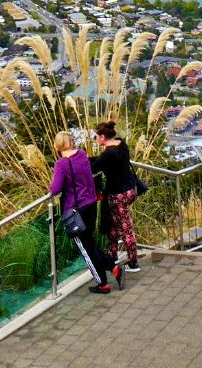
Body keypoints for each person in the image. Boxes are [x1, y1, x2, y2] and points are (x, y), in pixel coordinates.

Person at [48, 130, 114, 293]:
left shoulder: (62, 164)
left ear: (58, 145)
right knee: (90, 242)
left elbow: (55, 189)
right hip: (90, 204)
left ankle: (103, 283)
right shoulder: (82, 155)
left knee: (85, 247)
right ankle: (112, 268)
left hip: (76, 211)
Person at [90, 121, 142, 275]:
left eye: (96, 138)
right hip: (130, 189)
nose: (95, 140)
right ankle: (112, 255)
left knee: (125, 228)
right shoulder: (121, 144)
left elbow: (94, 167)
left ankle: (133, 262)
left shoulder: (108, 153)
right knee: (114, 224)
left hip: (118, 194)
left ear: (103, 137)